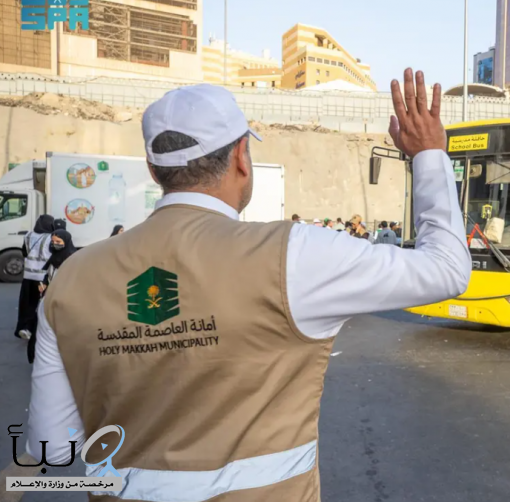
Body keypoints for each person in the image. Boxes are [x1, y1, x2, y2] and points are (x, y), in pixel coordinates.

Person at [26, 72, 470, 501]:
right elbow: (447, 268)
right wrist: (428, 153)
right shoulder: (293, 254)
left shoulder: (72, 279)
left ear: (153, 169)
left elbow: (56, 445)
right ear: (241, 155)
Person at [30, 229, 77, 363]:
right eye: (53, 241)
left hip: (64, 301)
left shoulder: (72, 259)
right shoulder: (55, 257)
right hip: (49, 298)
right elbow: (49, 273)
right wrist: (44, 283)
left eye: (58, 242)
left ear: (66, 242)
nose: (54, 244)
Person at [14, 214, 54, 339]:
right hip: (42, 277)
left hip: (28, 276)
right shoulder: (50, 238)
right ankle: (36, 330)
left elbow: (24, 252)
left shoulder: (28, 235)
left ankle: (24, 327)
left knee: (27, 303)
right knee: (41, 304)